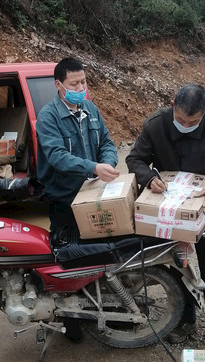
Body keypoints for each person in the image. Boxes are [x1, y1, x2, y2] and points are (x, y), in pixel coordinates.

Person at [125, 84, 205, 350]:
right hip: (168, 212)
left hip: (203, 210)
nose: (185, 125)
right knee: (177, 266)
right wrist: (149, 177)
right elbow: (135, 160)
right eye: (180, 119)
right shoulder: (156, 125)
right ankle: (186, 321)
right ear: (172, 105)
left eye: (193, 122)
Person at [36, 57, 119, 341]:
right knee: (68, 259)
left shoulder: (90, 110)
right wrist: (92, 168)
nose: (81, 88)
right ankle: (70, 321)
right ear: (59, 85)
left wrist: (106, 163)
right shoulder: (48, 117)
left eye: (83, 82)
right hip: (64, 199)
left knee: (98, 253)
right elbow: (57, 156)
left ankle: (101, 308)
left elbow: (106, 142)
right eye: (74, 84)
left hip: (94, 195)